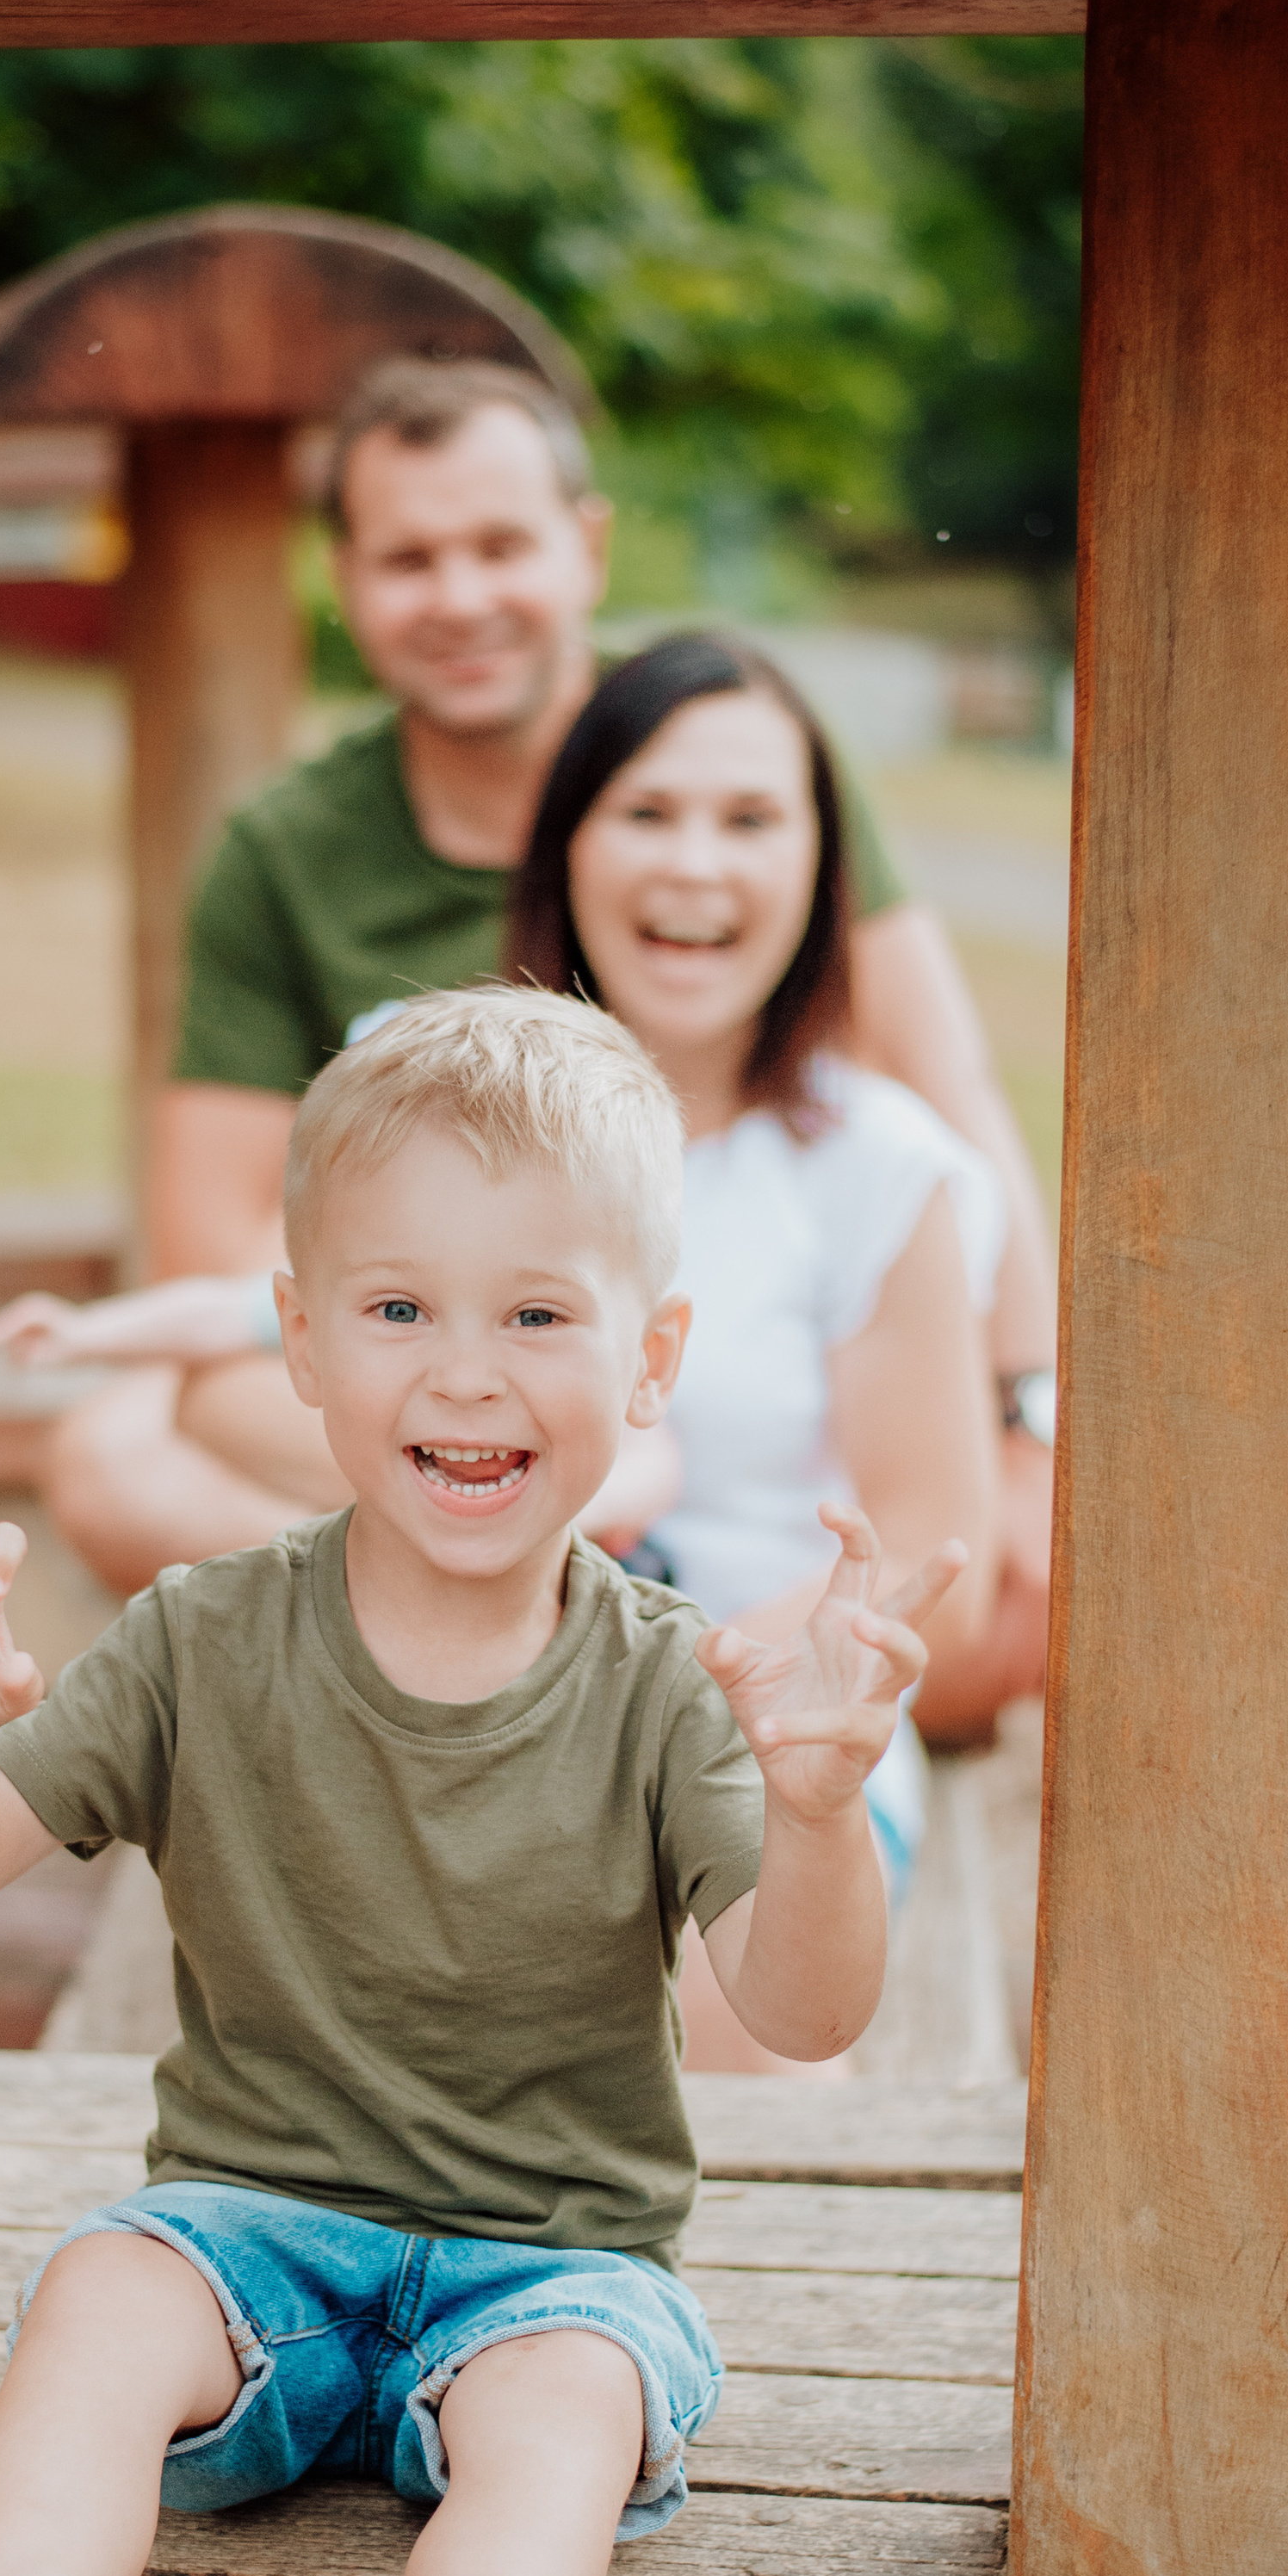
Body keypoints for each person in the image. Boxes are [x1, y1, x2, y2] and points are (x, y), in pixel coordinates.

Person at [0, 990, 961, 2576]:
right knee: (100, 2290)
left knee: (570, 2400)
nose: (465, 1374)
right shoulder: (202, 1636)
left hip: (554, 2262)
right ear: (300, 1342)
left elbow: (805, 2013)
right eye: (398, 1309)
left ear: (650, 1360)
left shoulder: (667, 1684)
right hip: (246, 2239)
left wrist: (815, 1814)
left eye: (536, 1315)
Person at [12, 354, 1052, 1735]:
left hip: (723, 1517)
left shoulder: (739, 749)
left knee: (969, 1593)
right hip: (447, 1351)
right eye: (411, 557)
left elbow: (945, 1091)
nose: (461, 597)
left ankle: (537, 1681)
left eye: (500, 544)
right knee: (123, 1449)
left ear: (586, 547)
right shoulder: (321, 897)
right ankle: (470, 1658)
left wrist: (1030, 1413)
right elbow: (241, 1258)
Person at [504, 632, 1001, 2066]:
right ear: (568, 843)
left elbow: (935, 1562)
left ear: (821, 868)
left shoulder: (877, 1168)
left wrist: (676, 1692)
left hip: (768, 1735)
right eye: (649, 812)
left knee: (667, 2021)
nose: (695, 867)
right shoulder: (462, 1132)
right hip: (478, 1703)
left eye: (750, 819)